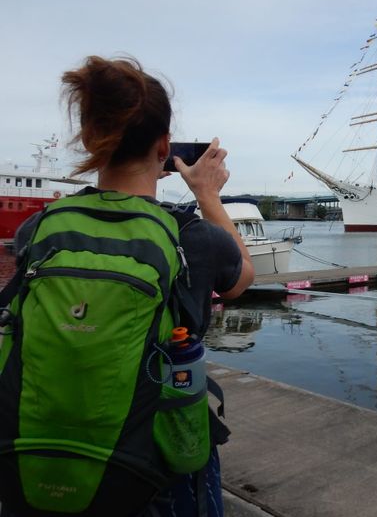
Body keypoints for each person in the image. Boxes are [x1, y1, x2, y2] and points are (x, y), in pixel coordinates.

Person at [6, 55, 255, 517]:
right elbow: (243, 276)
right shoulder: (193, 238)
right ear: (165, 146)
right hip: (153, 471)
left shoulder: (38, 229)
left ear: (89, 139)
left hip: (36, 456)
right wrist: (207, 194)